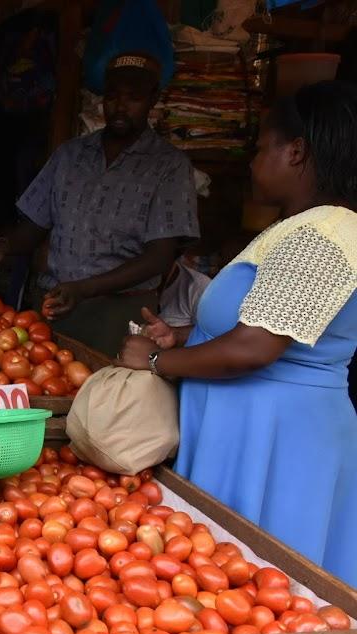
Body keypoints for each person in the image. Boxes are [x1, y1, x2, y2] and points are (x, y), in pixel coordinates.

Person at [117, 80, 357, 587]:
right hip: (253, 423)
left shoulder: (324, 234)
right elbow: (262, 324)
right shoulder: (302, 227)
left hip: (277, 436)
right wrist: (185, 337)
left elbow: (257, 346)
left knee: (265, 583)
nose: (252, 163)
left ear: (296, 152)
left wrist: (156, 361)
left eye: (261, 148)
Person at [0, 52, 199, 355]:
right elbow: (35, 225)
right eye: (112, 96)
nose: (120, 106)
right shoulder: (70, 155)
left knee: (108, 382)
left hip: (119, 313)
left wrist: (84, 289)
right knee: (48, 377)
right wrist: (5, 246)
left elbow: (159, 257)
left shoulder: (169, 166)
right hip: (55, 302)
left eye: (134, 97)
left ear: (153, 99)